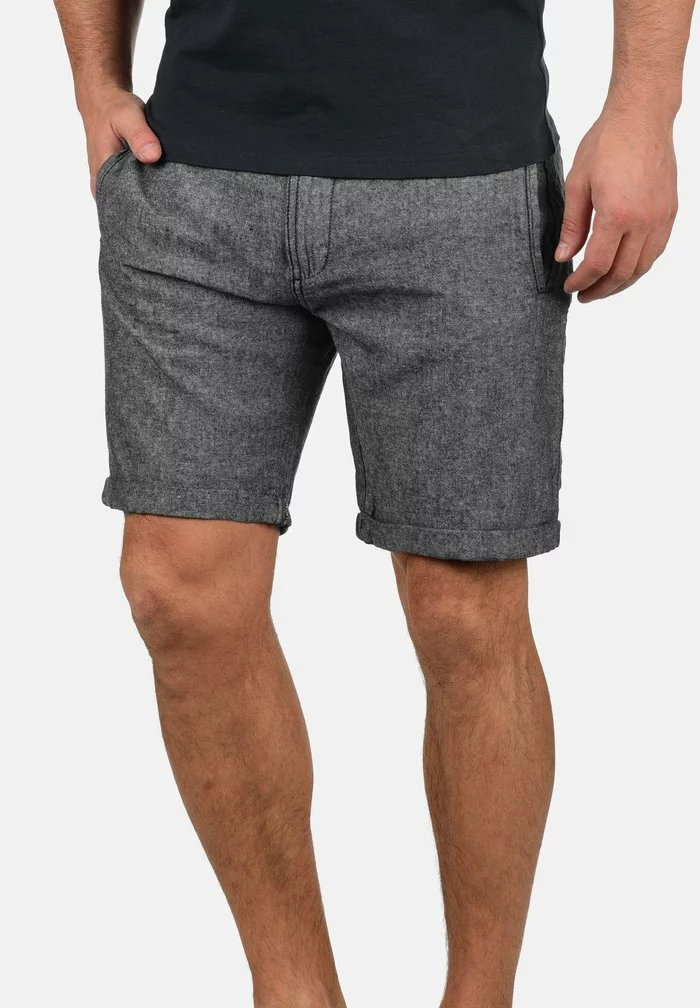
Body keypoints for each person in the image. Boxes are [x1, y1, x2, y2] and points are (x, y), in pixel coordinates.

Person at [54, 0, 694, 1004]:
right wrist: (94, 79)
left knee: (462, 608)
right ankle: (293, 992)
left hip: (460, 175)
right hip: (195, 174)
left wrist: (645, 106)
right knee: (178, 592)